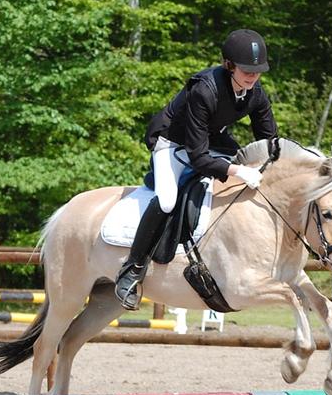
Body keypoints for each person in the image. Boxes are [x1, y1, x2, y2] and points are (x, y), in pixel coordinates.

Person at [114, 28, 279, 310]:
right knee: (167, 200)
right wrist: (240, 172)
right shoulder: (205, 89)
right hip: (171, 142)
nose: (252, 76)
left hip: (208, 138)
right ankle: (131, 270)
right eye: (246, 70)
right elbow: (200, 159)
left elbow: (269, 141)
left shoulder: (256, 92)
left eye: (257, 71)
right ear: (229, 65)